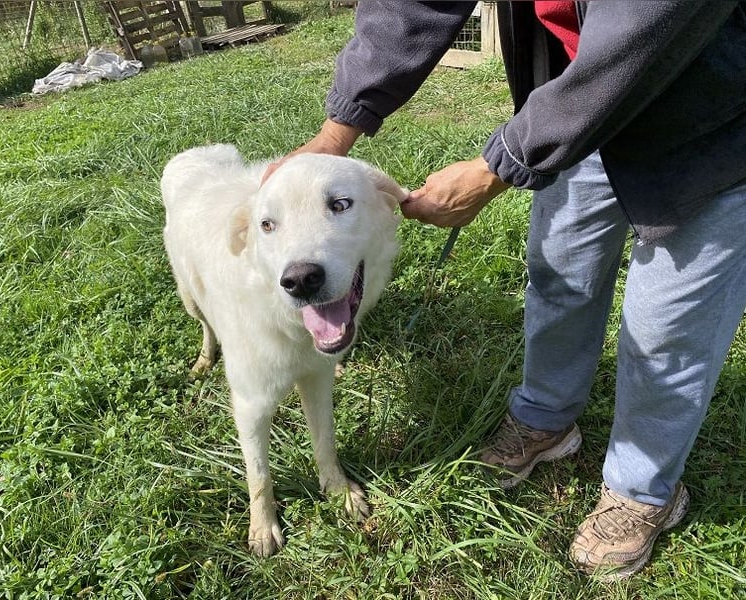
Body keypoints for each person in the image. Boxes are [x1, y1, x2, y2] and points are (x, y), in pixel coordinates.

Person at [264, 1, 746, 579]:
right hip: (578, 108)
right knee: (560, 275)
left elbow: (650, 23)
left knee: (668, 324)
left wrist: (502, 164)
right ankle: (547, 417)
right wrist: (337, 131)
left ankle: (643, 489)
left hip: (711, 114)